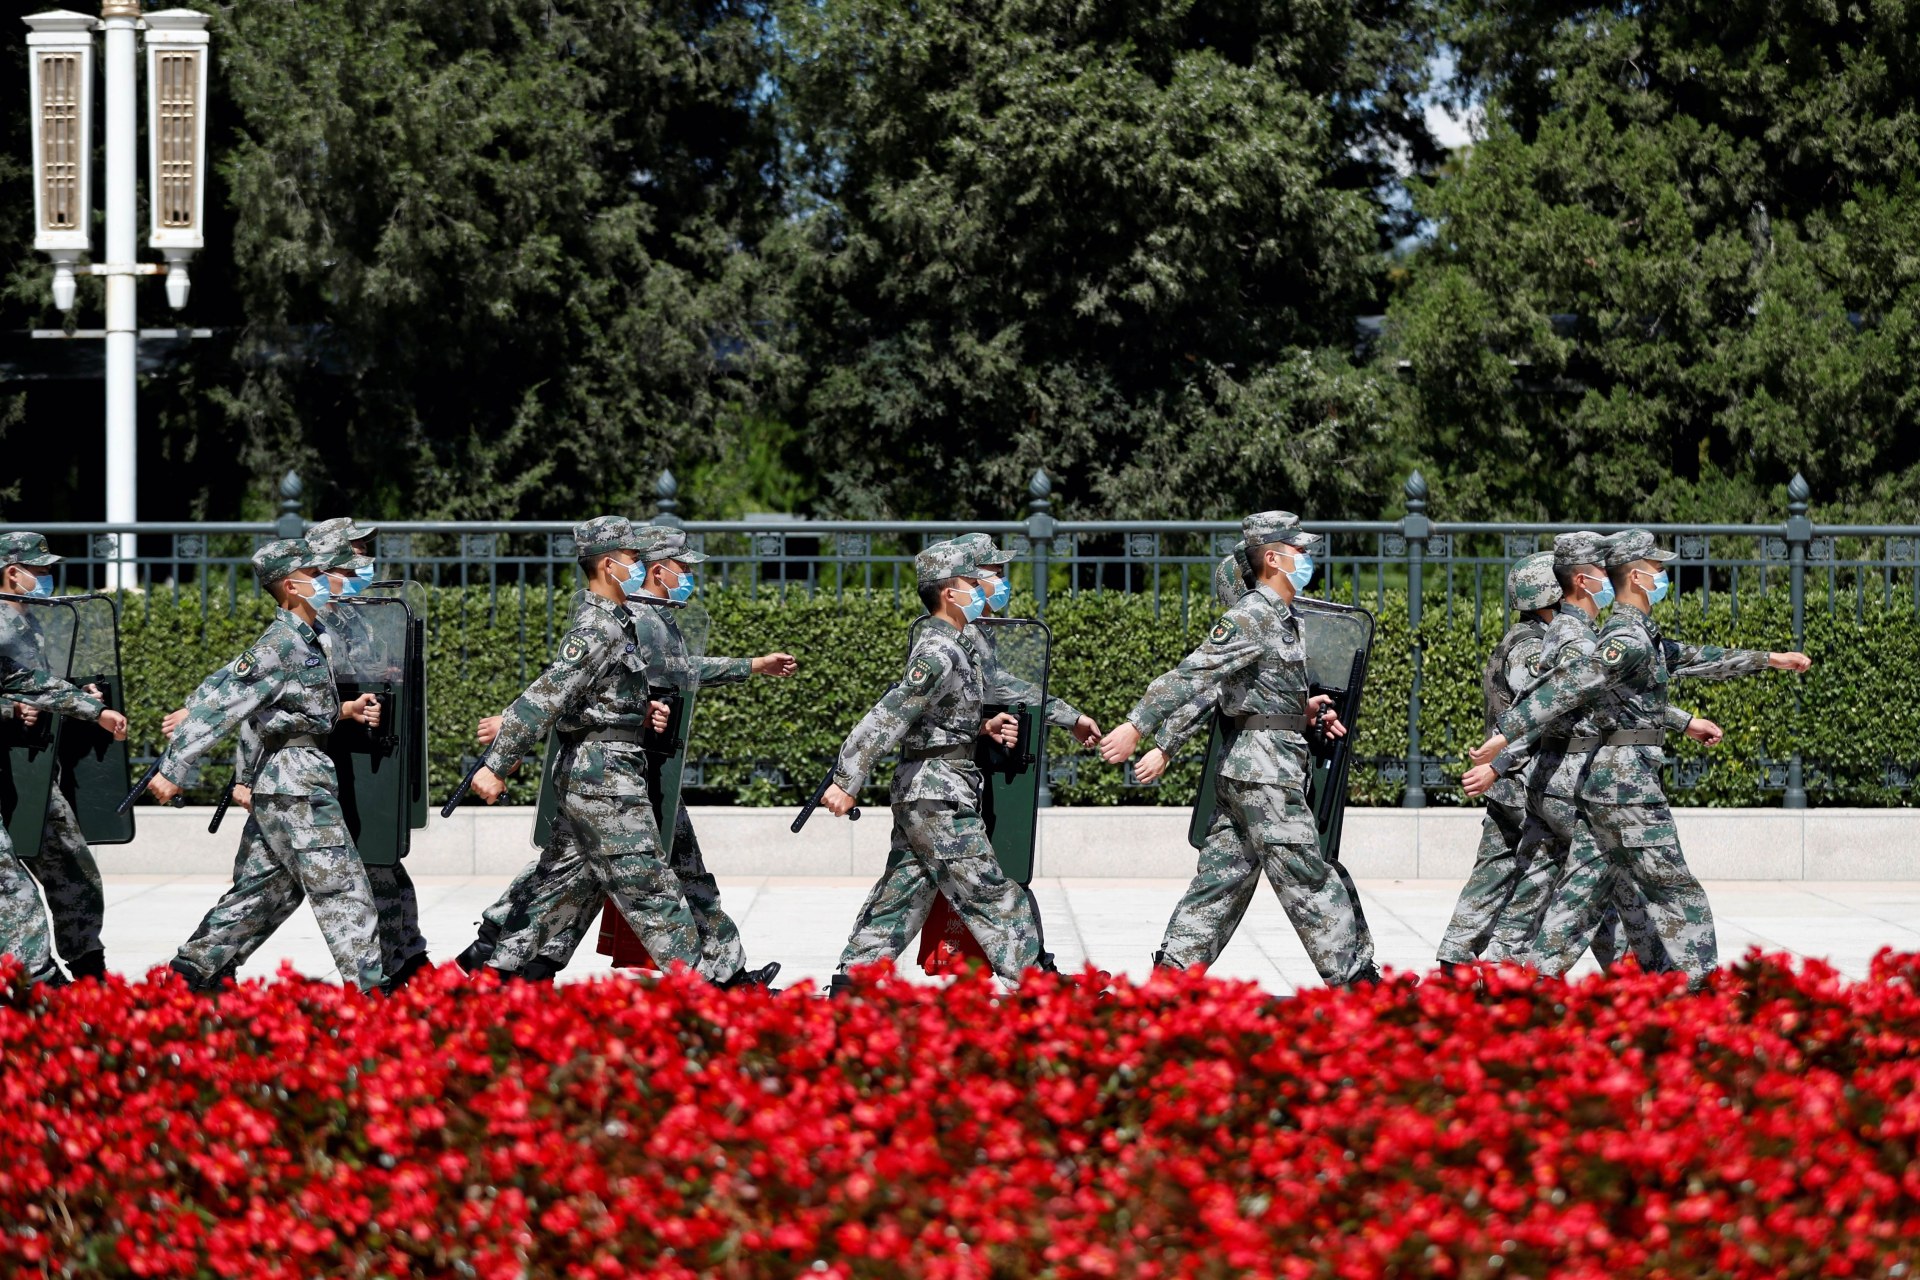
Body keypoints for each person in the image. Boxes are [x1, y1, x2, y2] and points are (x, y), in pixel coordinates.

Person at [457, 523, 795, 986]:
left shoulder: (620, 622)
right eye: (632, 559)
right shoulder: (598, 626)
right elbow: (547, 695)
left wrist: (645, 710)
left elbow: (622, 688)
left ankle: (491, 974)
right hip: (603, 775)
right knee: (651, 887)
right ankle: (709, 993)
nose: (639, 567)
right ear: (606, 564)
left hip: (612, 767)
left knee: (560, 885)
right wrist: (498, 759)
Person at [1471, 529, 1812, 987]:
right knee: (1675, 890)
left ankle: (1519, 982)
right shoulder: (1623, 638)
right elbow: (1573, 684)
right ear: (1635, 574)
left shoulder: (1637, 635)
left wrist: (1769, 659)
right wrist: (1505, 737)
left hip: (1604, 783)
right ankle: (1701, 988)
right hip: (1625, 783)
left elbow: (1692, 657)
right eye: (1657, 568)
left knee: (1582, 896)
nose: (1664, 574)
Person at [1099, 511, 1378, 987]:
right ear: (1273, 557)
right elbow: (1194, 675)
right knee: (1308, 875)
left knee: (1222, 881)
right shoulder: (1251, 615)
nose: (1308, 557)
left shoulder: (1284, 616)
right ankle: (1358, 986)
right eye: (1300, 550)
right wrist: (1137, 726)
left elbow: (1248, 691)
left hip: (1256, 766)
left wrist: (1302, 709)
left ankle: (1171, 981)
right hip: (1263, 772)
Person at [1462, 531, 1717, 971]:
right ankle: (1665, 977)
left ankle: (1520, 971)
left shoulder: (1564, 632)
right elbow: (1563, 698)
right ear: (1581, 580)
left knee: (1571, 885)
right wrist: (1502, 755)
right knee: (1637, 887)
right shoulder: (1573, 637)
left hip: (1566, 777)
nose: (1610, 578)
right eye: (1602, 570)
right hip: (1578, 776)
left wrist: (1767, 661)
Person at [149, 539, 387, 992]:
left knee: (264, 891)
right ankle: (372, 997)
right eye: (316, 575)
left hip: (292, 777)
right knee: (346, 892)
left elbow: (290, 709)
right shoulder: (280, 642)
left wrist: (346, 710)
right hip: (296, 783)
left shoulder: (309, 636)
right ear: (292, 586)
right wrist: (173, 768)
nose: (327, 581)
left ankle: (189, 975)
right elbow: (225, 702)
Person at [816, 539, 1046, 990]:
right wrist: (847, 778)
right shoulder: (940, 651)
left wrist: (979, 729)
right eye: (971, 581)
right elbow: (892, 712)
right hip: (937, 791)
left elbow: (930, 719)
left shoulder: (956, 645)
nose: (981, 587)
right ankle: (1039, 990)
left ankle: (851, 985)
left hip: (931, 787)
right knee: (991, 894)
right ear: (949, 592)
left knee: (902, 895)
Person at [307, 516, 432, 988]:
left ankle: (406, 964)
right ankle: (393, 972)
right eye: (356, 552)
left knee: (383, 869)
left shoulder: (363, 617)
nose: (366, 561)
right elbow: (270, 701)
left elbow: (377, 680)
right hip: (320, 772)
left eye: (365, 551)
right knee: (273, 889)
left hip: (363, 767)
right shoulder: (311, 626)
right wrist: (241, 777)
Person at [1435, 552, 1563, 969]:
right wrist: (1500, 766)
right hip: (1520, 778)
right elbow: (1534, 714)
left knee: (1496, 867)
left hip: (1507, 777)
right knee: (1548, 869)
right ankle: (1510, 955)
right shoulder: (1532, 647)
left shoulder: (1521, 638)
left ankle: (1456, 953)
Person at [0, 532, 114, 979]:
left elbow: (34, 683)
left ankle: (88, 966)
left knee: (72, 866)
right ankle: (39, 985)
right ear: (13, 572)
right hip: (12, 760)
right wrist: (10, 711)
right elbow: (16, 692)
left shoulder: (35, 622)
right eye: (40, 570)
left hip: (29, 769)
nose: (48, 578)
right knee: (11, 889)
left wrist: (86, 700)